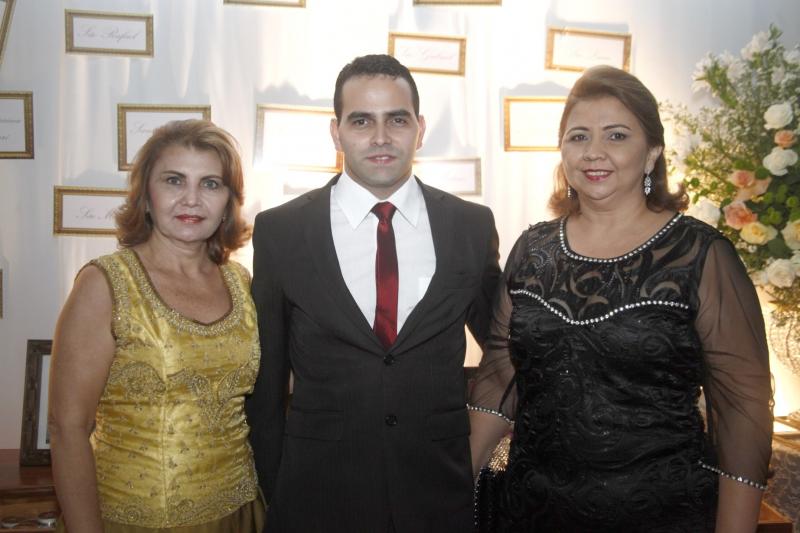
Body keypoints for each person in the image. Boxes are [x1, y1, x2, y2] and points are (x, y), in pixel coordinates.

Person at [468, 65, 773, 533]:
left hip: (661, 515)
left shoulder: (701, 254)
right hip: (531, 511)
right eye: (578, 137)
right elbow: (498, 379)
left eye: (616, 135)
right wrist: (446, 495)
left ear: (652, 152)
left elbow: (742, 409)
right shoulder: (533, 249)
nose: (594, 152)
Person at [246, 54, 501, 533]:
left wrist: (479, 439)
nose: (380, 137)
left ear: (420, 129)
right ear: (336, 132)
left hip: (437, 493)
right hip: (315, 496)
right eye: (361, 121)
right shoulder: (282, 231)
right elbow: (267, 384)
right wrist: (276, 490)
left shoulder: (469, 226)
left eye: (397, 120)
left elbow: (503, 349)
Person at [48, 119, 266, 533]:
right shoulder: (105, 283)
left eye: (210, 184)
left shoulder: (240, 282)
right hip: (133, 521)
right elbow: (67, 428)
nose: (191, 199)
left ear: (228, 202)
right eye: (174, 180)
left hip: (241, 514)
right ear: (146, 195)